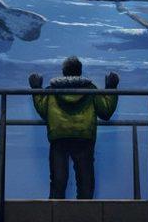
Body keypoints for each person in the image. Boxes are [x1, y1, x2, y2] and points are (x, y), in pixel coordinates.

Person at [29, 57, 119, 199]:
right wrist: (111, 87)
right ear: (80, 72)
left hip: (59, 138)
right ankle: (84, 217)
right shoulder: (91, 90)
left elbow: (42, 110)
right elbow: (106, 112)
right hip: (84, 137)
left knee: (58, 182)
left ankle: (55, 217)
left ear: (64, 72)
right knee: (85, 183)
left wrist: (36, 88)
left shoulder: (52, 90)